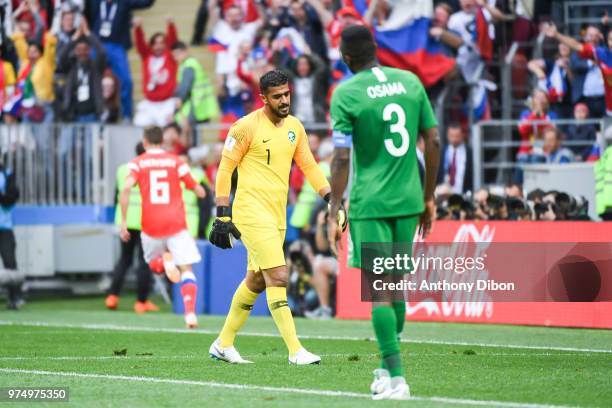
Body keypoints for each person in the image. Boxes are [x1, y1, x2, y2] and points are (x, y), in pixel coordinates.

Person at [327, 25, 440, 400]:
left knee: (380, 291)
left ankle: (397, 380)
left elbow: (342, 156)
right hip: (409, 199)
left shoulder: (345, 94)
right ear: (375, 49)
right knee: (395, 286)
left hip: (370, 202)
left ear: (345, 58)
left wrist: (333, 208)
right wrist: (429, 197)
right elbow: (434, 139)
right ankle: (383, 368)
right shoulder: (410, 82)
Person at [208, 69, 331, 365]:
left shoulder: (295, 127)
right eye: (278, 97)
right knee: (278, 275)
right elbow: (225, 170)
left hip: (277, 215)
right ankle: (295, 350)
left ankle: (223, 344)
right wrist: (223, 213)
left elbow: (310, 166)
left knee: (257, 280)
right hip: (250, 212)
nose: (285, 100)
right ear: (264, 98)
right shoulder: (244, 127)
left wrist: (331, 198)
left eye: (287, 94)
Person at [119, 126, 206, 328]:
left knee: (153, 267)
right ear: (163, 141)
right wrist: (200, 190)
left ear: (145, 142)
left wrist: (124, 222)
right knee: (187, 269)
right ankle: (190, 314)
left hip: (151, 225)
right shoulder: (176, 161)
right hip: (175, 222)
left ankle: (164, 260)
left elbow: (126, 188)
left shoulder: (137, 163)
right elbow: (197, 189)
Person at [106, 142, 158, 313]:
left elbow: (117, 195)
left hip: (126, 220)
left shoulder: (122, 169)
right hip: (145, 220)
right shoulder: (149, 169)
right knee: (144, 261)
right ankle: (141, 302)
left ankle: (112, 296)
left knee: (125, 259)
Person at [546, 23, 612, 117]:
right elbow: (577, 46)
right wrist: (557, 35)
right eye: (611, 39)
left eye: (596, 36)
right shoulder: (603, 54)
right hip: (595, 103)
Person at [132, 16, 178, 127]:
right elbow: (140, 45)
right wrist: (138, 28)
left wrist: (171, 26)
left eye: (162, 43)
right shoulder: (147, 57)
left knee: (166, 128)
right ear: (151, 45)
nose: (158, 46)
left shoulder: (170, 58)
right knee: (139, 124)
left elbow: (173, 43)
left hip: (166, 102)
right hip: (150, 102)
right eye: (155, 43)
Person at [172, 41, 219, 145]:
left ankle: (189, 152)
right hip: (200, 104)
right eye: (174, 55)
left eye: (178, 54)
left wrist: (179, 99)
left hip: (195, 104)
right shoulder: (191, 63)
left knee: (188, 131)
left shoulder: (189, 66)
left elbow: (185, 86)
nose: (176, 58)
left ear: (185, 51)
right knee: (194, 133)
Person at [0, 158, 23, 310]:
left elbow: (12, 197)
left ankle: (15, 297)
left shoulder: (7, 174)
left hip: (4, 227)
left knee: (10, 262)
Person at [437, 123, 473, 194]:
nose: (454, 139)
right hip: (444, 194)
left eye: (457, 136)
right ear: (447, 135)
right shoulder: (442, 152)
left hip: (463, 194)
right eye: (452, 136)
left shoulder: (469, 153)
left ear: (462, 135)